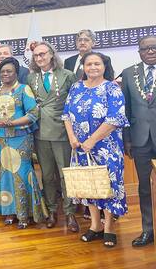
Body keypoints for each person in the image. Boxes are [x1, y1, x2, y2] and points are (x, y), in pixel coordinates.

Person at [63, 52, 128, 247]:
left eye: (97, 64)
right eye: (89, 64)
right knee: (89, 186)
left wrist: (92, 139)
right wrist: (72, 138)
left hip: (106, 148)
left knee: (107, 186)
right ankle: (95, 226)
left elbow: (115, 119)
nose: (93, 67)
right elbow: (66, 115)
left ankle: (108, 227)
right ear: (83, 67)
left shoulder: (112, 88)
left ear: (104, 66)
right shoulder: (76, 87)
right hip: (81, 149)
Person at [0, 58, 45, 229]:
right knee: (6, 174)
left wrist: (14, 123)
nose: (5, 74)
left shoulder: (23, 89)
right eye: (3, 71)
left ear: (16, 73)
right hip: (2, 139)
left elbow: (33, 113)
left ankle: (25, 214)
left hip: (21, 138)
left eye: (9, 71)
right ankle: (10, 211)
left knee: (22, 172)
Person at [27, 42, 79, 233]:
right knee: (47, 176)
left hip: (62, 133)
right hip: (40, 133)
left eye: (42, 54)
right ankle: (51, 211)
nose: (39, 58)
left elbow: (74, 104)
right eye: (36, 56)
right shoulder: (30, 78)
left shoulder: (67, 75)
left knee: (66, 175)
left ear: (51, 55)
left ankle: (70, 212)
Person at [122, 35, 156, 247]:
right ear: (139, 52)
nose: (151, 52)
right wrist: (127, 140)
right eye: (146, 48)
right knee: (144, 187)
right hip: (140, 139)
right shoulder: (128, 73)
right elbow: (125, 110)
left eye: (154, 48)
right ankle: (148, 230)